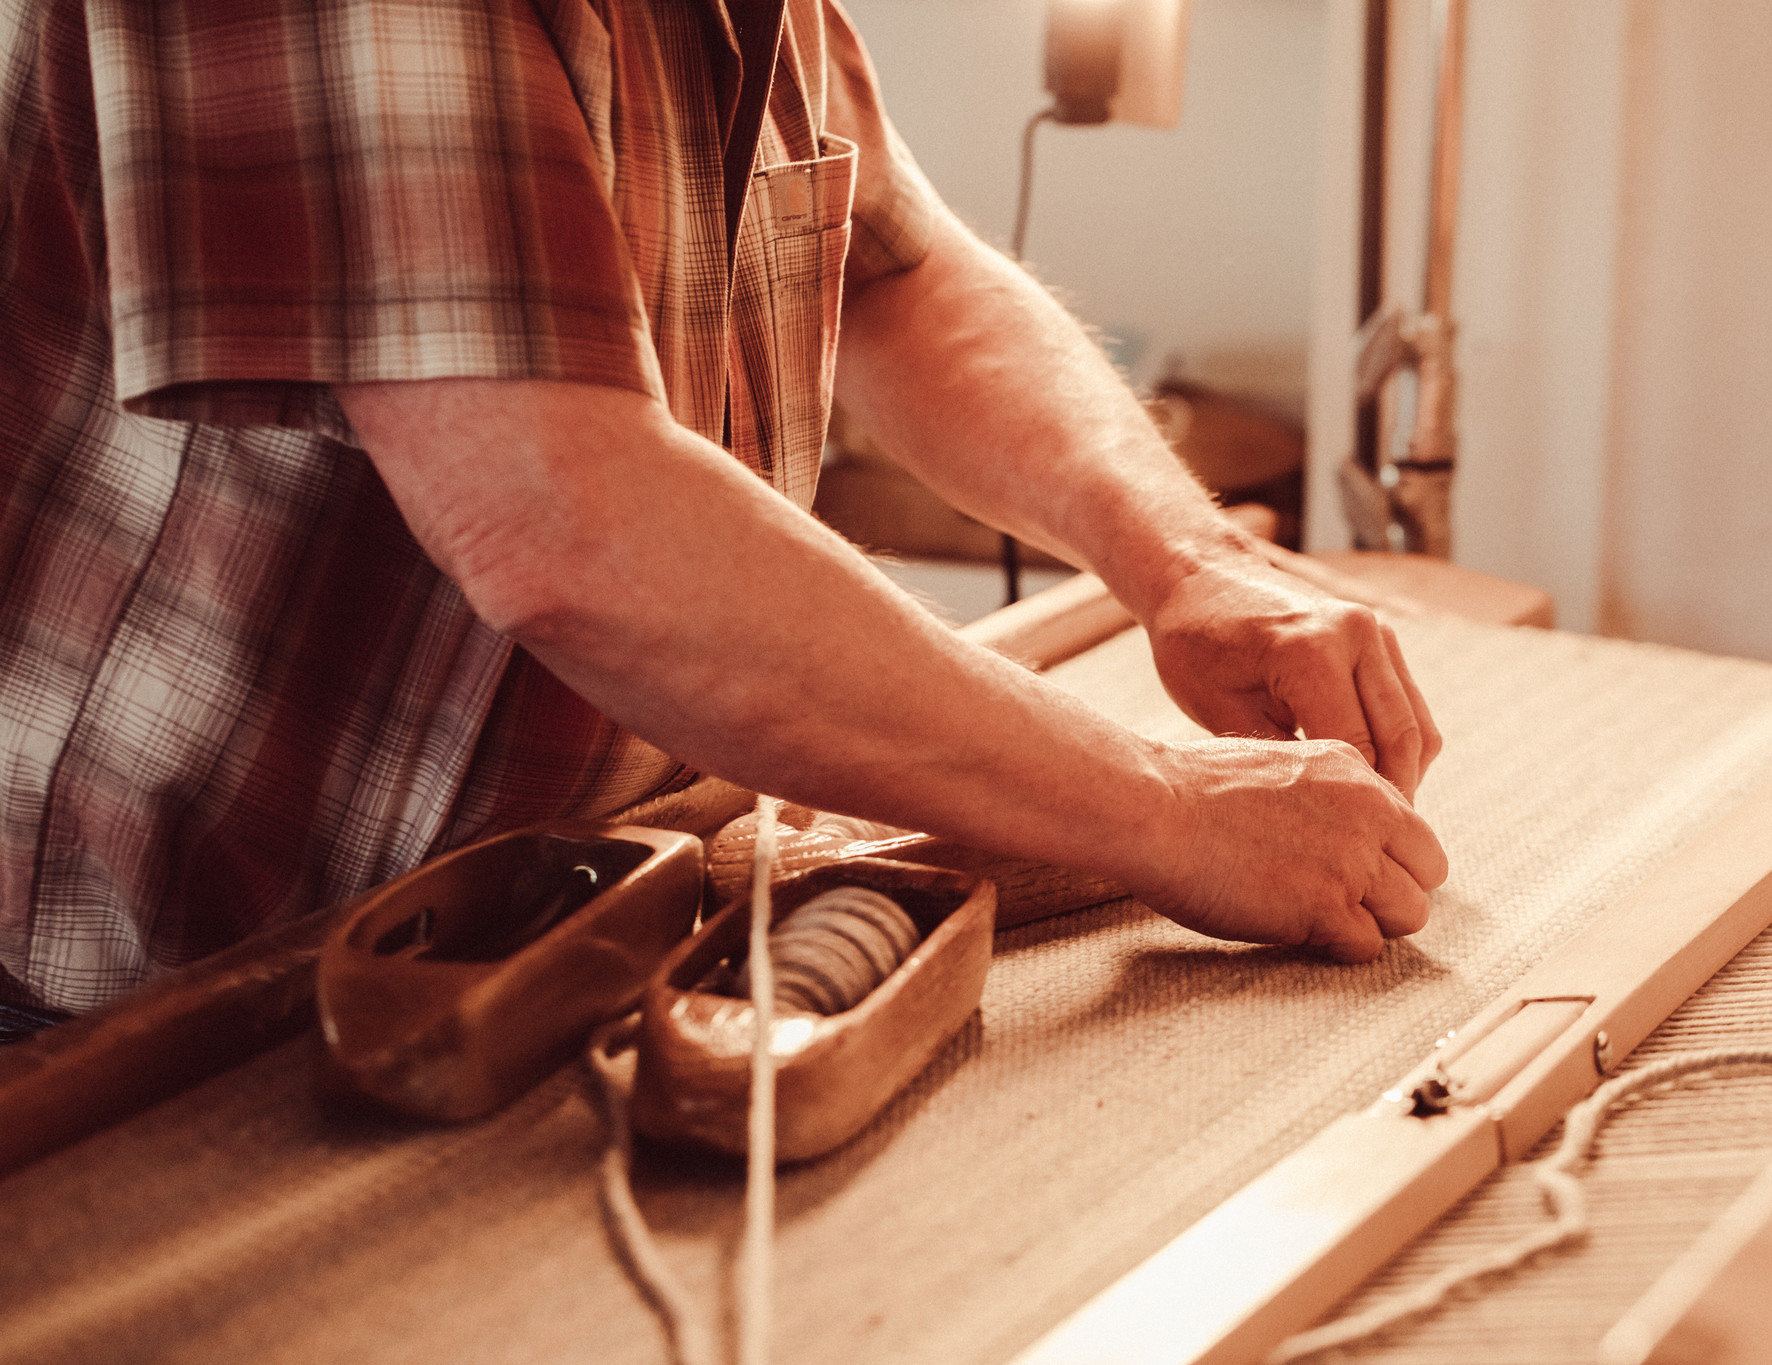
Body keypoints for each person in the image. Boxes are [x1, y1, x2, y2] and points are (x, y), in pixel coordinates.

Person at [0, 0, 1445, 1020]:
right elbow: (567, 520)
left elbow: (898, 272)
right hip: (155, 992)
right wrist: (1175, 810)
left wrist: (1187, 560)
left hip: (572, 925)